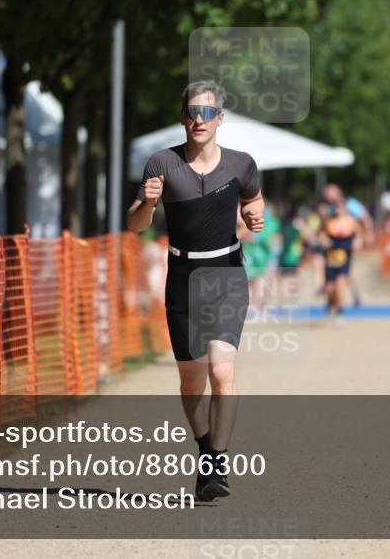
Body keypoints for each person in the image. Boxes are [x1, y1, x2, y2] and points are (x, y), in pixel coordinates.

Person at [127, 80, 264, 502]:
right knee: (192, 382)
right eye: (191, 112)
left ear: (220, 119)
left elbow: (255, 203)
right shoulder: (161, 165)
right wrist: (146, 203)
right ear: (183, 117)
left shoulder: (241, 164)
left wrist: (254, 218)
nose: (197, 120)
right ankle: (206, 450)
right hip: (183, 278)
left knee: (222, 371)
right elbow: (135, 225)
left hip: (225, 274)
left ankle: (218, 464)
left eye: (206, 113)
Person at [320, 199, 359, 316]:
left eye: (341, 207)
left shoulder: (351, 221)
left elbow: (359, 233)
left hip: (345, 254)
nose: (339, 209)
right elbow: (321, 234)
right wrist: (323, 240)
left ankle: (340, 309)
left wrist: (358, 241)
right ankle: (331, 301)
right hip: (331, 255)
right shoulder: (329, 221)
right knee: (330, 287)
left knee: (340, 282)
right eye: (337, 207)